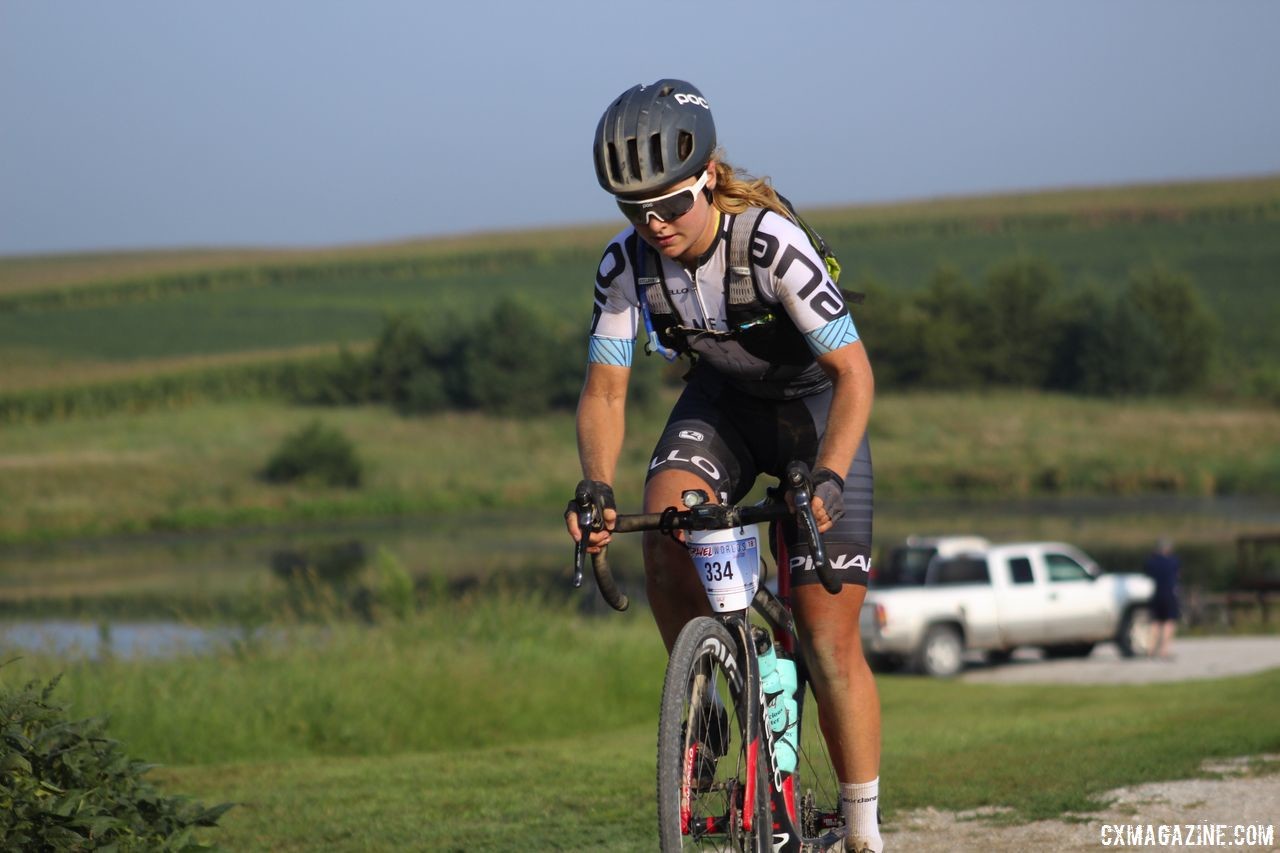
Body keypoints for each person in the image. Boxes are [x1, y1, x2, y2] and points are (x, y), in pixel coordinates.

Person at [565, 79, 882, 853]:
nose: (654, 224)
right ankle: (706, 697)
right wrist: (596, 487)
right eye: (633, 208)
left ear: (708, 175)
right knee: (665, 529)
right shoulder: (627, 267)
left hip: (811, 412)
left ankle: (865, 828)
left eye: (670, 205)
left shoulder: (767, 240)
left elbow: (854, 373)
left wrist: (832, 474)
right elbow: (606, 388)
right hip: (724, 408)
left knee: (826, 634)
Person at [1145, 537, 1181, 659]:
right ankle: (1164, 650)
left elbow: (1147, 572)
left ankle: (1150, 649)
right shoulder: (1173, 561)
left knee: (1155, 622)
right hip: (1169, 594)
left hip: (1155, 594)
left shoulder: (1152, 562)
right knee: (1169, 622)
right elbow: (1177, 575)